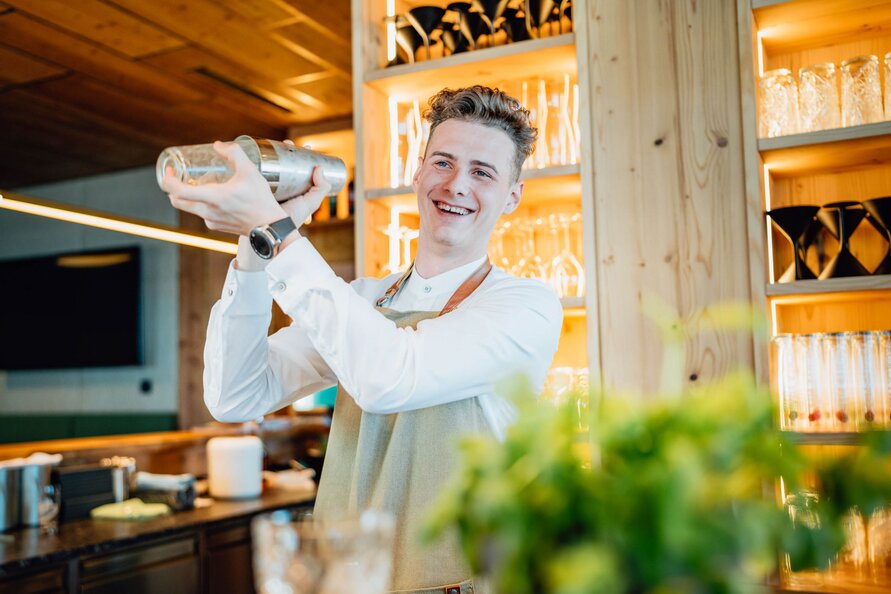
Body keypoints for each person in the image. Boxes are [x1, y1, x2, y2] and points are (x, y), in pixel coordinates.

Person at [163, 85, 563, 594]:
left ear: (511, 195)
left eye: (482, 172)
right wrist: (255, 249)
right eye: (442, 162)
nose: (456, 184)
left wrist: (279, 230)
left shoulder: (524, 306)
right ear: (418, 174)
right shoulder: (364, 299)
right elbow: (236, 395)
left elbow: (389, 376)